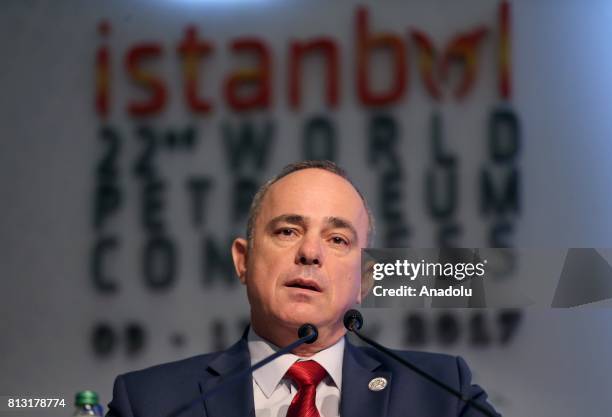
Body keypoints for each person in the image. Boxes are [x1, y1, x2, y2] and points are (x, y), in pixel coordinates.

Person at [106, 160, 500, 417]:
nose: (310, 252)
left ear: (365, 279)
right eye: (287, 231)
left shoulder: (441, 393)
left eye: (338, 240)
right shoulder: (152, 402)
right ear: (243, 260)